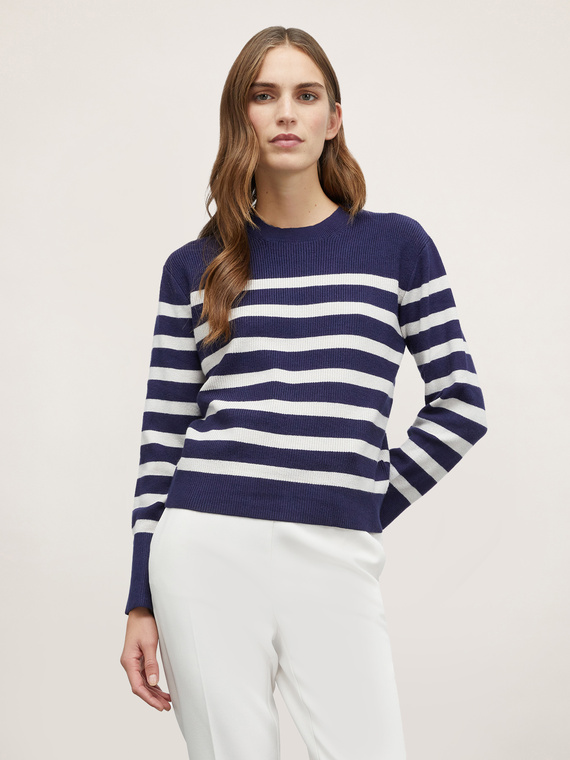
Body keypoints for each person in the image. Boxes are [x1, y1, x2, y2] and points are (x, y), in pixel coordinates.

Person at [120, 25, 487, 760]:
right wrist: (139, 598)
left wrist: (364, 501)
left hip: (336, 555)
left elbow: (461, 405)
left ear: (333, 118)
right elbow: (164, 438)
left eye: (306, 95)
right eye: (264, 96)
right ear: (241, 118)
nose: (286, 112)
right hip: (204, 550)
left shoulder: (396, 246)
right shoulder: (194, 266)